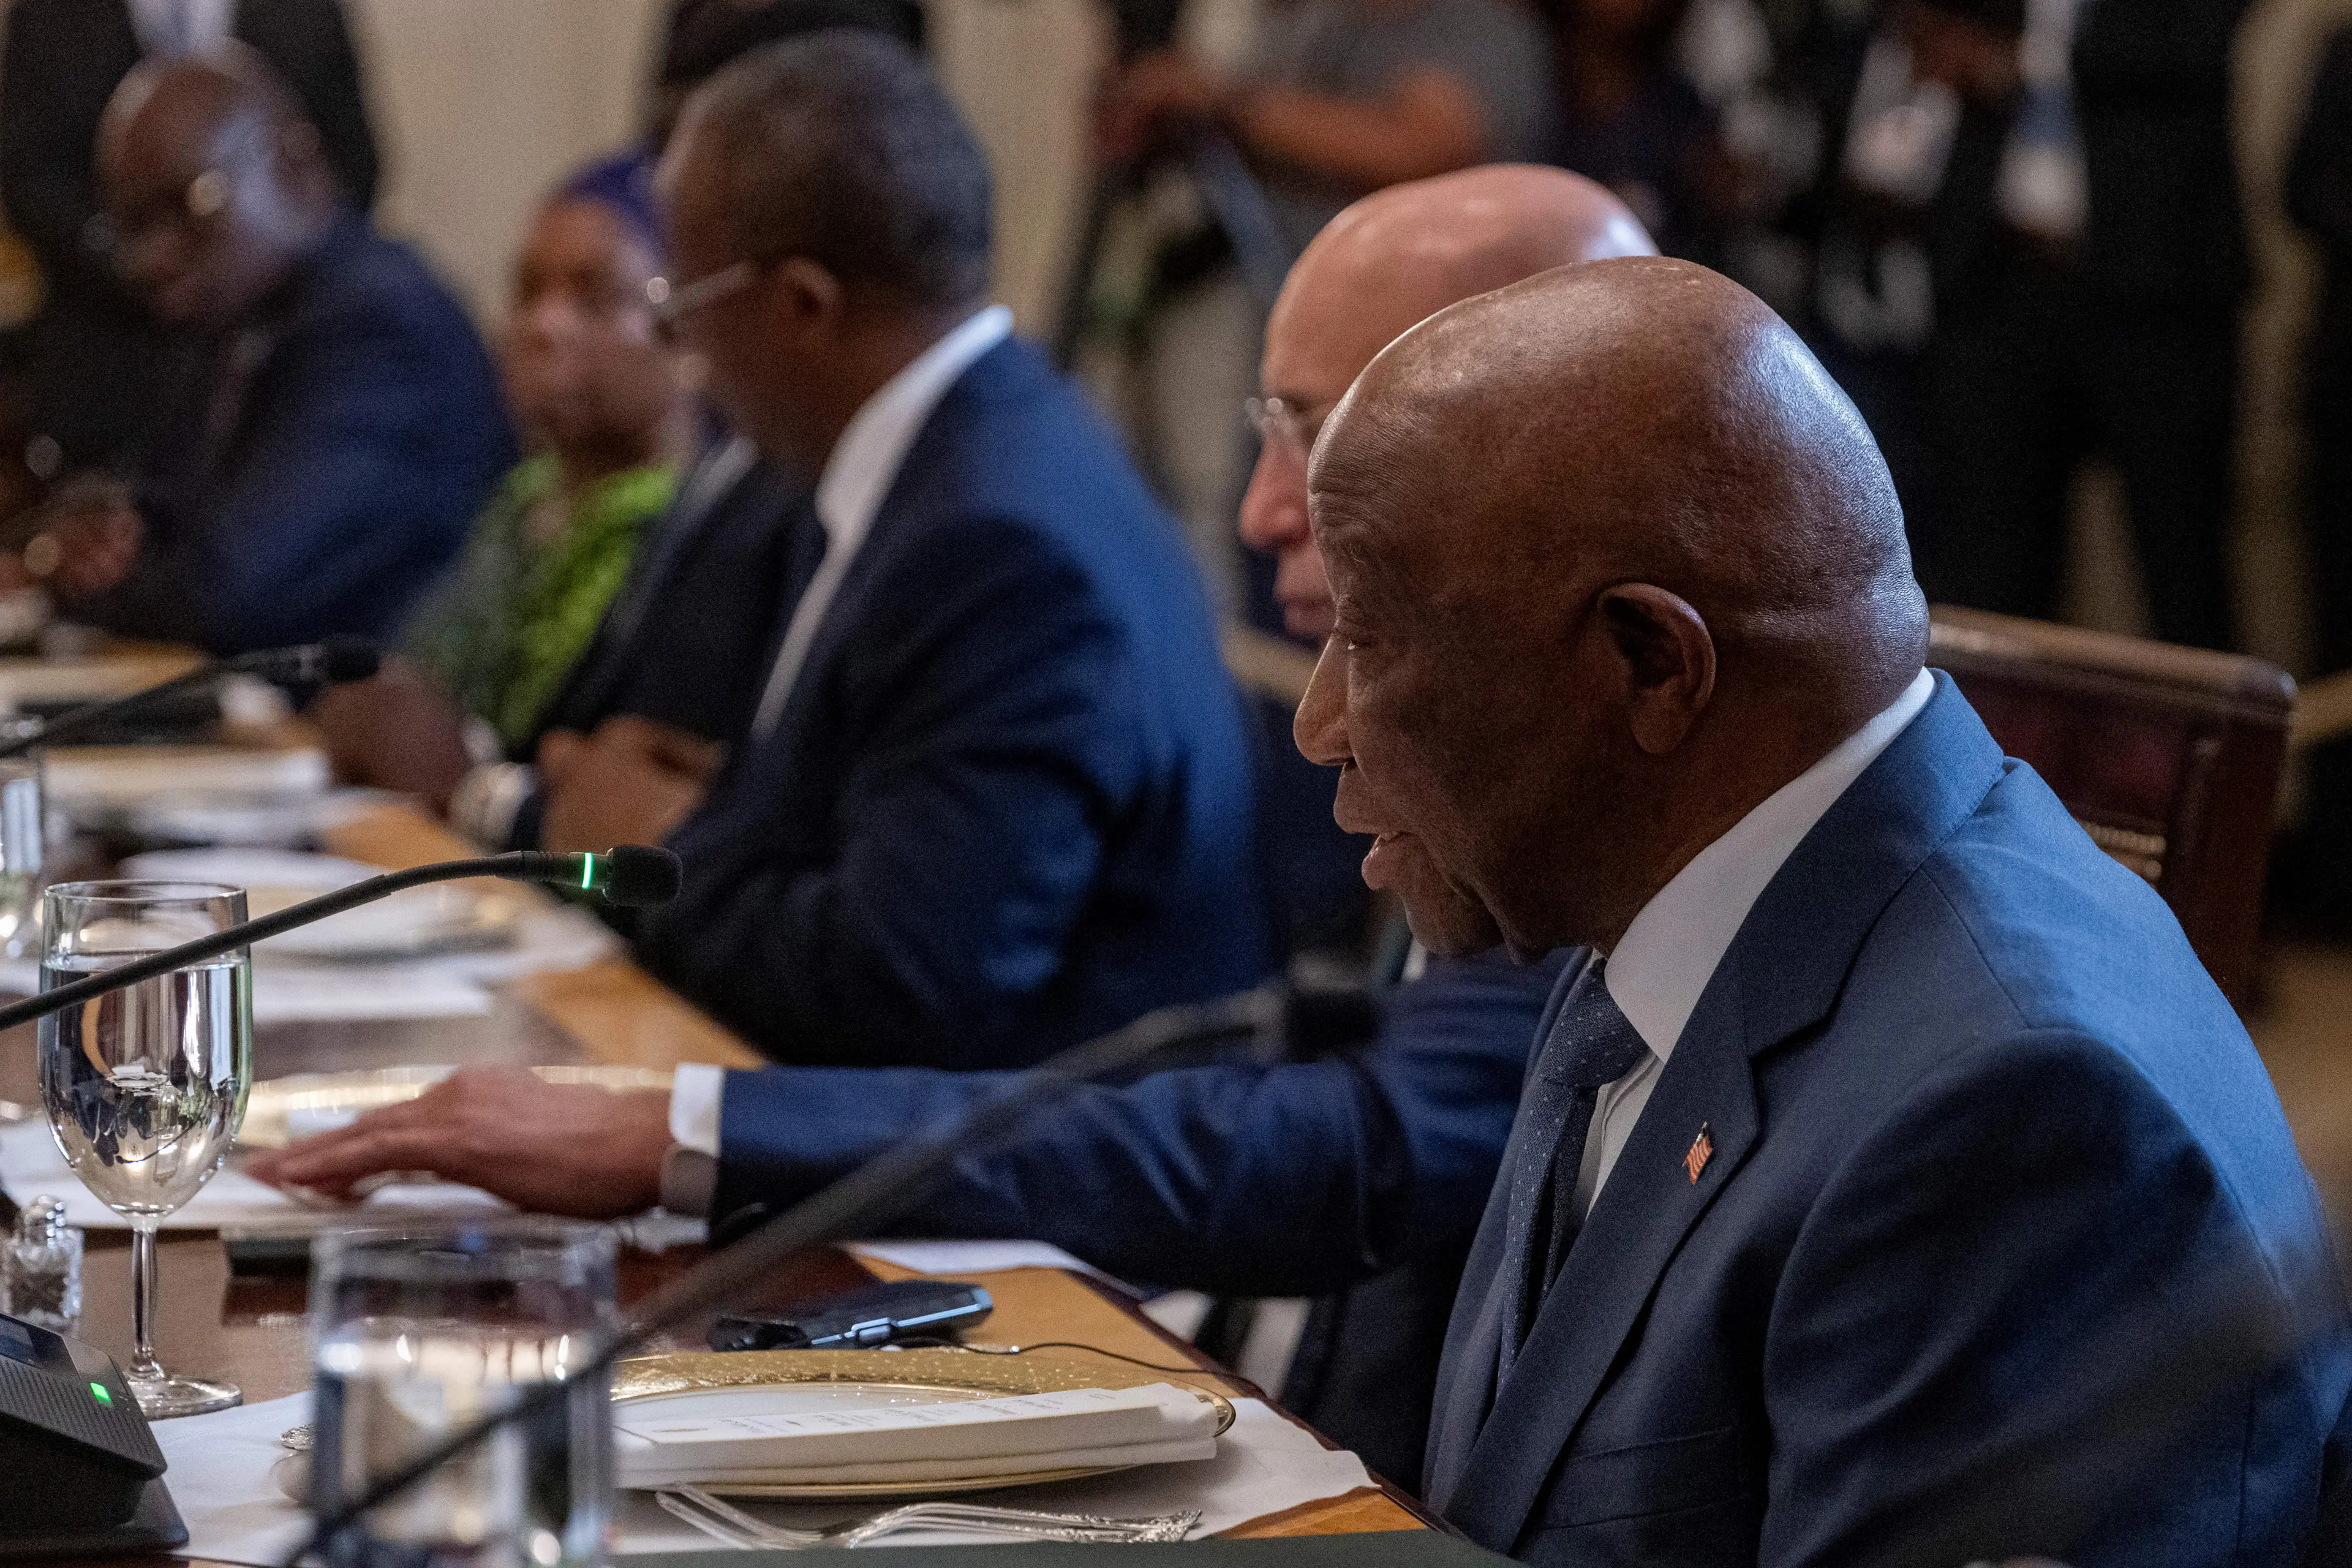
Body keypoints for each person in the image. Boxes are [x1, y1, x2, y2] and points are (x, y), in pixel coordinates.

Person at [249, 162, 1655, 1493]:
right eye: (1270, 431)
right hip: (1187, 1356)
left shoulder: (1012, 523)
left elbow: (1335, 1137)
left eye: (1332, 435)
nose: (1262, 507)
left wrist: (683, 1122)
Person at [1303, 257, 2345, 1562]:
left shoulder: (2019, 1114)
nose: (1320, 722)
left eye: (1373, 640)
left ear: (1651, 664)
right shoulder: (1663, 894)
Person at [522, 32, 1268, 1068]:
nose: (683, 356)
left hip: (1016, 1200)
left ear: (801, 310)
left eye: (679, 308)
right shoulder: (957, 453)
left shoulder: (1000, 548)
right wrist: (720, 812)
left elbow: (900, 993)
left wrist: (657, 851)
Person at [0, 51, 512, 653]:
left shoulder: (380, 328)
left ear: (293, 161)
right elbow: (175, 517)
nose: (151, 258)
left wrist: (89, 586)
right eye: (131, 226)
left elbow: (227, 598)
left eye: (185, 203)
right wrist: (101, 534)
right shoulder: (254, 317)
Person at [310, 162, 694, 811]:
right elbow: (412, 686)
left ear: (686, 328)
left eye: (595, 297)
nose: (545, 326)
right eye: (528, 291)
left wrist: (463, 774)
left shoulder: (695, 531)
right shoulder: (523, 500)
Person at [1906, 0, 2249, 650]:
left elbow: (2205, 47)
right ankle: (1994, 748)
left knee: (2181, 567)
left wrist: (2028, 60)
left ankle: (2205, 751)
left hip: (2151, 297)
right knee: (1995, 576)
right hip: (2001, 287)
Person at [0, 0, 380, 473]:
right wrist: (133, 258)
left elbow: (353, 159)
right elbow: (28, 175)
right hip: (110, 372)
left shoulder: (371, 334)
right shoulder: (49, 15)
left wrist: (266, 274)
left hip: (282, 370)